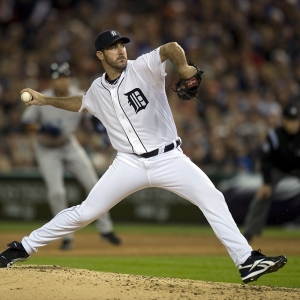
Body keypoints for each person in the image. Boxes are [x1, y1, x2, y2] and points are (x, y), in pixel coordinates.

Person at [0, 30, 287, 284]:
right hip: (128, 163)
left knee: (212, 197)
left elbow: (172, 48)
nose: (121, 49)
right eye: (113, 47)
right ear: (100, 55)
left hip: (170, 158)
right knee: (86, 212)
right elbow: (82, 103)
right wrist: (45, 99)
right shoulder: (97, 89)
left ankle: (246, 261)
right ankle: (22, 248)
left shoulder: (144, 67)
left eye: (122, 44)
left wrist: (185, 70)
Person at [20, 62, 121, 249]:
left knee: (94, 184)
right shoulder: (43, 98)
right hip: (46, 148)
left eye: (65, 77)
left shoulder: (77, 94)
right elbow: (25, 122)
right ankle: (67, 237)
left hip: (69, 144)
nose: (63, 81)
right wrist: (42, 127)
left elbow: (91, 117)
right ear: (52, 81)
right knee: (57, 192)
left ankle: (106, 229)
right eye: (59, 78)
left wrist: (99, 129)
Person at [243, 103, 300, 242]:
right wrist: (267, 182)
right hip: (277, 169)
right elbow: (266, 160)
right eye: (290, 120)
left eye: (296, 120)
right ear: (283, 121)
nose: (293, 124)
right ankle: (249, 232)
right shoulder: (275, 135)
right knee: (262, 194)